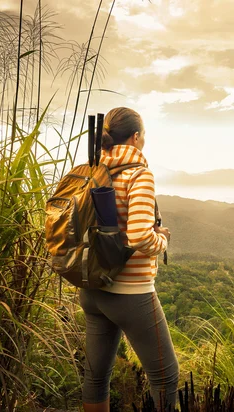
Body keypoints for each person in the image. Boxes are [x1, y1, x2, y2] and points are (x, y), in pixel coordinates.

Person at [78, 107, 179, 412]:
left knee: (97, 378)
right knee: (166, 377)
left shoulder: (92, 170)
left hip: (92, 288)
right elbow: (138, 237)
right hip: (130, 293)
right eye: (144, 135)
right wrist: (161, 240)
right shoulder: (139, 174)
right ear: (136, 138)